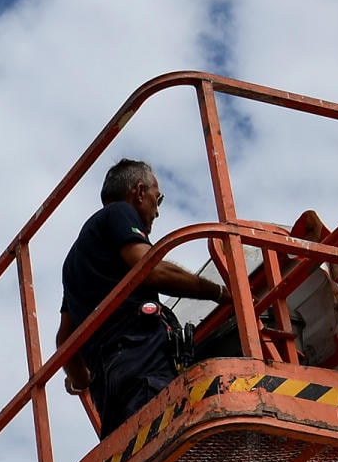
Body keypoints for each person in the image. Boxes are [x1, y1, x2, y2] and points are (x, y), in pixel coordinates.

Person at [59, 157, 225, 432]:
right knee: (164, 447)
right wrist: (219, 292)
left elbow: (65, 342)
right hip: (141, 358)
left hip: (108, 387)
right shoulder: (120, 213)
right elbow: (151, 270)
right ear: (138, 192)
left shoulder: (75, 261)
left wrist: (81, 380)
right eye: (156, 199)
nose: (156, 212)